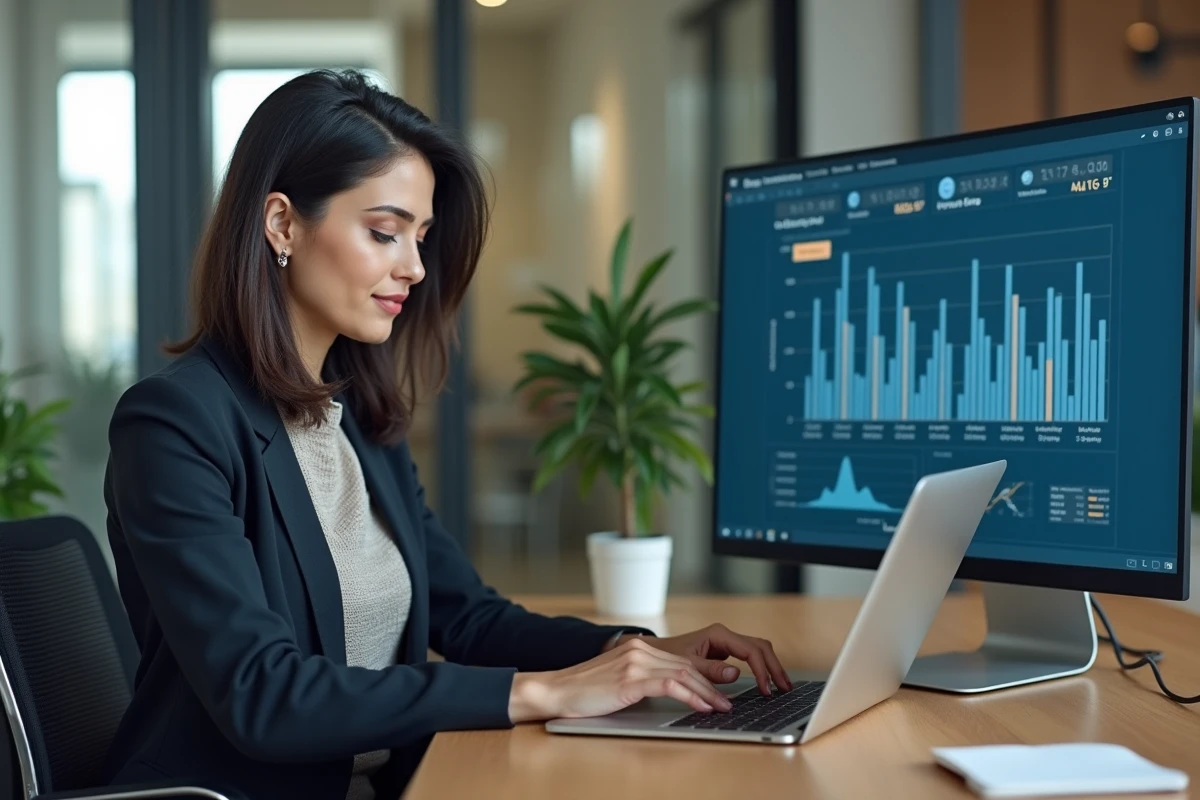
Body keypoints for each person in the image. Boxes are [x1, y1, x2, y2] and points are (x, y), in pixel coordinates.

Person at [103, 69, 790, 800]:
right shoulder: (175, 425)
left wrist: (634, 651)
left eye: (421, 237)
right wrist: (544, 693)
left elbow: (470, 617)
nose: (415, 267)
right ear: (281, 225)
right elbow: (262, 693)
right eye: (384, 232)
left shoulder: (359, 417)